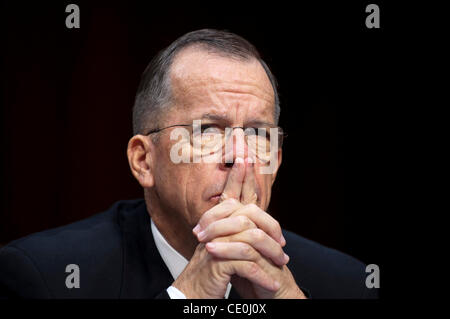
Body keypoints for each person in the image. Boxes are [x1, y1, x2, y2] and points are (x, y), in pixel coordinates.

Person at [0, 29, 377, 299]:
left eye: (259, 135)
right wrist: (187, 297)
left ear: (275, 162)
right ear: (143, 160)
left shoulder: (347, 284)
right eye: (209, 130)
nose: (239, 156)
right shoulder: (46, 277)